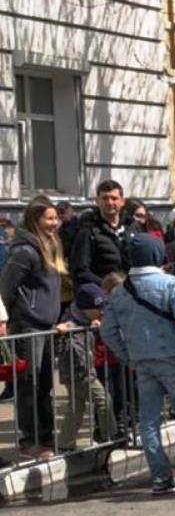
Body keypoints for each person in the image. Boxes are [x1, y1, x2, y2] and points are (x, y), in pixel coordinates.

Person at [100, 233, 175, 495]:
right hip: (174, 358)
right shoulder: (170, 284)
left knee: (148, 420)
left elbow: (107, 331)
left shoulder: (119, 290)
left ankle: (160, 477)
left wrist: (127, 356)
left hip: (142, 361)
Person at [0, 196, 67, 459]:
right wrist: (11, 319)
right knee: (29, 385)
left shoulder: (51, 246)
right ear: (35, 220)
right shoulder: (24, 251)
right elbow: (6, 288)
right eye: (49, 218)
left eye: (55, 218)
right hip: (28, 326)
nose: (54, 223)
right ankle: (30, 440)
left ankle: (47, 437)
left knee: (43, 385)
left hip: (47, 325)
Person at [54, 284, 118, 450]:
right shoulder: (69, 323)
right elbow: (61, 349)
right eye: (98, 308)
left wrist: (95, 329)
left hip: (83, 369)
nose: (101, 312)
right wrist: (59, 334)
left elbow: (88, 342)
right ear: (85, 309)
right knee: (104, 400)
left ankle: (64, 444)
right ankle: (109, 436)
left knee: (76, 407)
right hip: (78, 372)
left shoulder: (86, 320)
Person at [70, 179, 130, 289]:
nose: (110, 202)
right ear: (97, 201)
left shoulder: (131, 229)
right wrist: (108, 285)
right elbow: (80, 270)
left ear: (122, 201)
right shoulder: (87, 232)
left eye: (114, 198)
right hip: (103, 295)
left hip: (130, 293)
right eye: (105, 198)